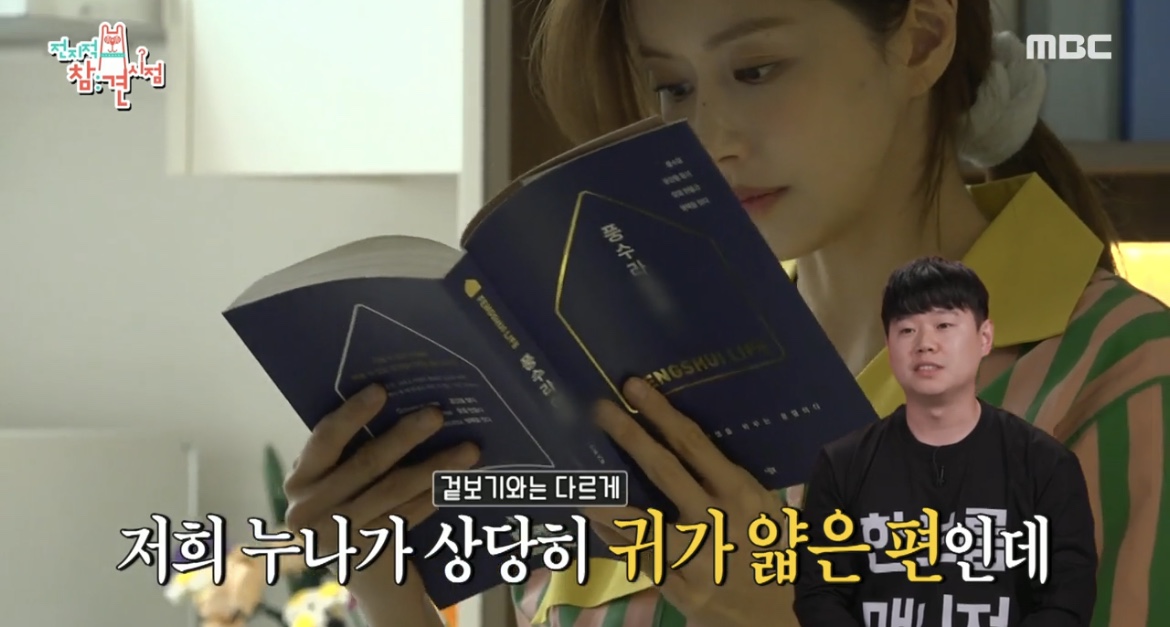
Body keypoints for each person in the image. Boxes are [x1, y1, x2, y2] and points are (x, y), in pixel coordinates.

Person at [282, 0, 1170, 625]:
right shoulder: (624, 378)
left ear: (922, 40)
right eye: (672, 87)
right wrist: (387, 581)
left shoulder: (1122, 376)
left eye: (755, 70)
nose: (709, 138)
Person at [794, 256, 1098, 625]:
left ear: (984, 338)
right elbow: (819, 593)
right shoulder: (842, 465)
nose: (925, 344)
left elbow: (1067, 598)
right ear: (888, 344)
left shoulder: (1045, 464)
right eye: (907, 330)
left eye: (943, 325)